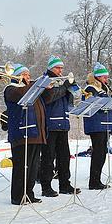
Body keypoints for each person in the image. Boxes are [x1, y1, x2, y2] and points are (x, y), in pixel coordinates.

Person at [4, 64, 47, 205]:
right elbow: (21, 94)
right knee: (22, 166)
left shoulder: (32, 90)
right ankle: (17, 196)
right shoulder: (11, 89)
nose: (28, 77)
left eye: (28, 74)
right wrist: (38, 84)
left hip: (36, 133)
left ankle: (29, 192)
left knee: (33, 166)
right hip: (21, 134)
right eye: (24, 74)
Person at [39, 55, 80, 197]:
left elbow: (69, 102)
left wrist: (71, 89)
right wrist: (64, 87)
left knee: (64, 157)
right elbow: (49, 97)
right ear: (51, 68)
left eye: (61, 68)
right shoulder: (45, 80)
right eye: (57, 68)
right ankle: (46, 186)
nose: (60, 71)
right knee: (48, 157)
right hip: (49, 124)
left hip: (62, 124)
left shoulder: (62, 81)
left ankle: (65, 184)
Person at [82, 62, 112, 190]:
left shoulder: (102, 89)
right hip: (96, 124)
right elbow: (91, 105)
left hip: (104, 124)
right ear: (98, 77)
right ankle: (94, 181)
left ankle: (97, 179)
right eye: (104, 77)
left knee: (102, 153)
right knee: (98, 153)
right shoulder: (91, 88)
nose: (106, 79)